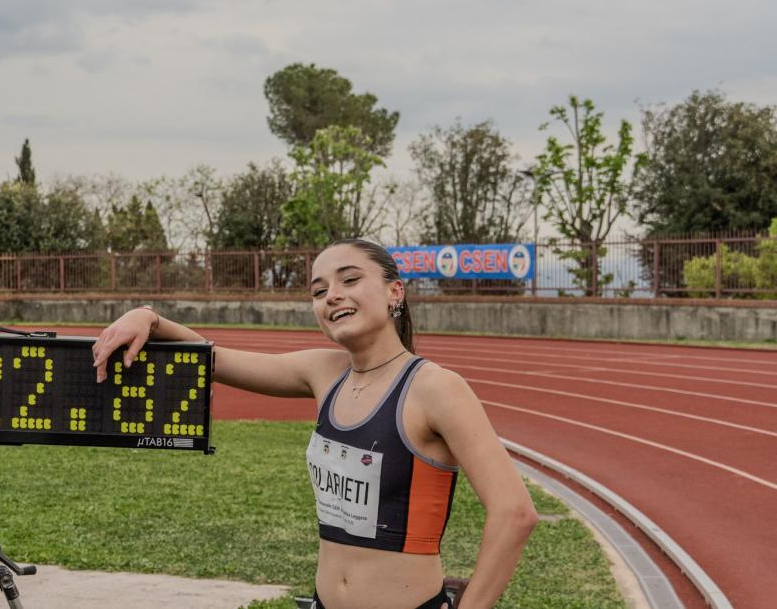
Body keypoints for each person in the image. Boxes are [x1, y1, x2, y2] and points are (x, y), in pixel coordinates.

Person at [92, 239, 537, 609]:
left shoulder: (435, 387)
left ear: (395, 292)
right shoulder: (324, 372)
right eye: (319, 291)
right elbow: (216, 360)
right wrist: (148, 317)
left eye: (350, 280)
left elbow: (515, 512)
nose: (332, 296)